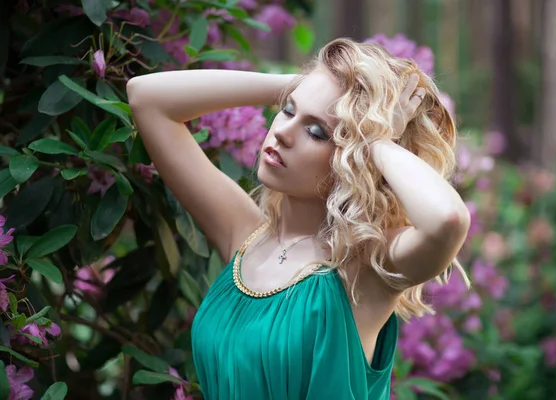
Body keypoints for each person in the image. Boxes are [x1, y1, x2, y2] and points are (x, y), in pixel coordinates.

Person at [126, 38, 471, 400]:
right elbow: (147, 98)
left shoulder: (366, 267)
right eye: (288, 111)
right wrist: (305, 86)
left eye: (317, 131)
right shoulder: (244, 234)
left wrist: (375, 140)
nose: (283, 132)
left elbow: (446, 220)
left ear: (353, 157)